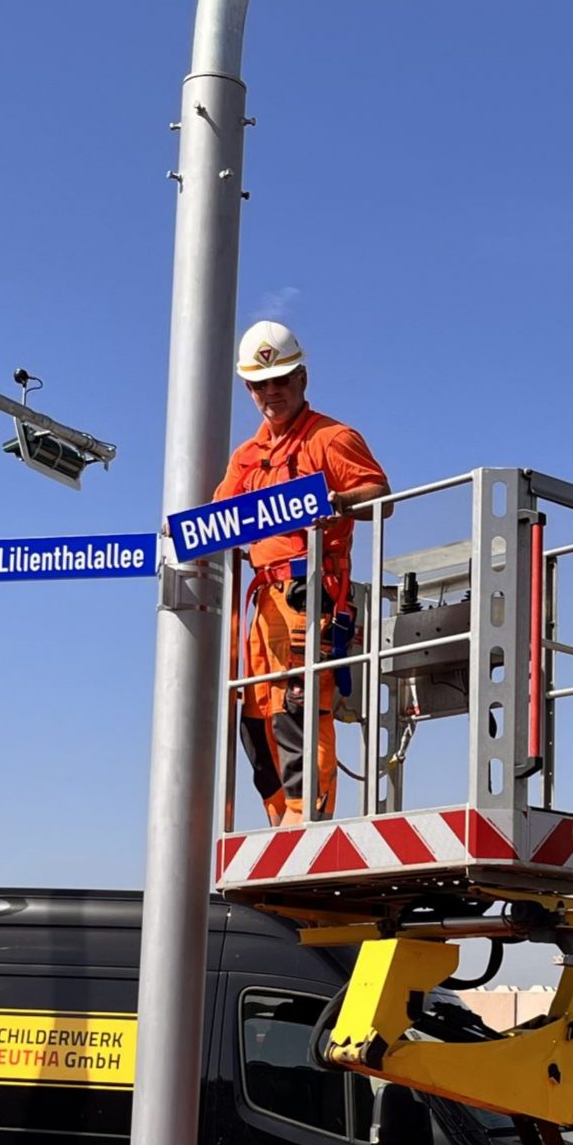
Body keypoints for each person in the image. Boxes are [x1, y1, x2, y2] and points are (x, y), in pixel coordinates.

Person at [216, 320, 389, 826]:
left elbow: (380, 495)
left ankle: (305, 823)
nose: (272, 393)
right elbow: (218, 518)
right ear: (249, 389)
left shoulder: (331, 439)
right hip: (263, 604)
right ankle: (279, 821)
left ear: (302, 379)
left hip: (308, 598)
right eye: (260, 385)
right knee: (253, 718)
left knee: (299, 710)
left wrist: (335, 502)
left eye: (282, 380)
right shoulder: (248, 457)